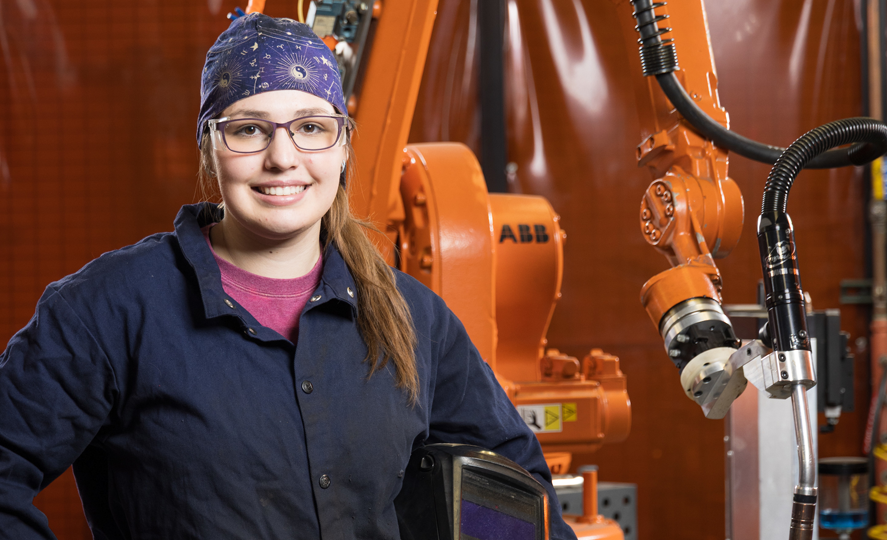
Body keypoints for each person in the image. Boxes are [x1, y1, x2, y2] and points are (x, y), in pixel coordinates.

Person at [0, 13, 577, 540]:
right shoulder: (111, 309)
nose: (283, 157)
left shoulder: (415, 318)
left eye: (311, 126)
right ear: (210, 147)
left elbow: (518, 491)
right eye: (249, 129)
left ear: (343, 145)